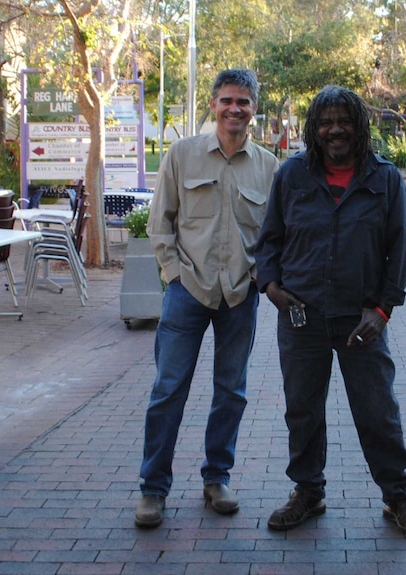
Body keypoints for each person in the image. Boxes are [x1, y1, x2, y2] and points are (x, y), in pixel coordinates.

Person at [255, 85, 406, 538]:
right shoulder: (292, 175)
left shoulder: (384, 179)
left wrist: (383, 309)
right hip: (301, 316)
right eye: (326, 121)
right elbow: (270, 238)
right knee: (303, 410)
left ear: (360, 126)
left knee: (378, 410)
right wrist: (270, 286)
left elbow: (403, 246)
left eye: (344, 121)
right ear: (314, 128)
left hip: (362, 320)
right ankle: (307, 492)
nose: (335, 129)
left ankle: (398, 497)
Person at [134, 68, 279, 528]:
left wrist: (258, 276)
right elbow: (161, 222)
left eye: (244, 102)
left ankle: (217, 478)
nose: (235, 109)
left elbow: (275, 234)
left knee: (231, 392)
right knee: (167, 391)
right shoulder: (182, 155)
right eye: (227, 100)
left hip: (241, 294)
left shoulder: (269, 166)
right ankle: (153, 489)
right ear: (213, 105)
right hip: (187, 292)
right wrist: (173, 275)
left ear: (255, 109)